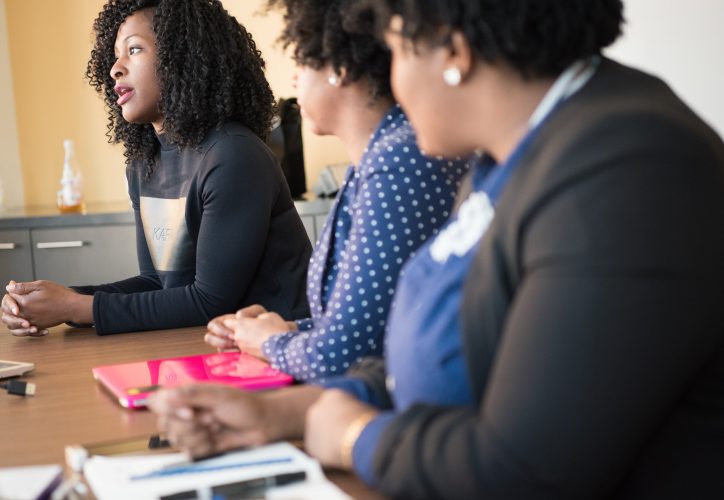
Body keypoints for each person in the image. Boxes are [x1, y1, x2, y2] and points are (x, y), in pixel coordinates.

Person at [150, 0, 724, 498]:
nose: (392, 81)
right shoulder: (511, 156)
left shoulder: (628, 170)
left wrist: (356, 438)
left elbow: (524, 472)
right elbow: (449, 362)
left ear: (452, 51)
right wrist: (281, 415)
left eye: (396, 51)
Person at [0, 0, 312, 336]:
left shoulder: (233, 155)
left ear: (183, 59)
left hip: (282, 354)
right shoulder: (144, 164)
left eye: (134, 49)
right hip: (208, 344)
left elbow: (210, 301)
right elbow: (158, 283)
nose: (115, 69)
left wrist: (78, 307)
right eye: (115, 55)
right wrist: (61, 301)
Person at [202, 0, 468, 382]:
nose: (293, 81)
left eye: (301, 62)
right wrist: (288, 331)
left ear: (339, 68)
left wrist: (270, 343)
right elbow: (372, 326)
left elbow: (341, 357)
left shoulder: (397, 160)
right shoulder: (380, 157)